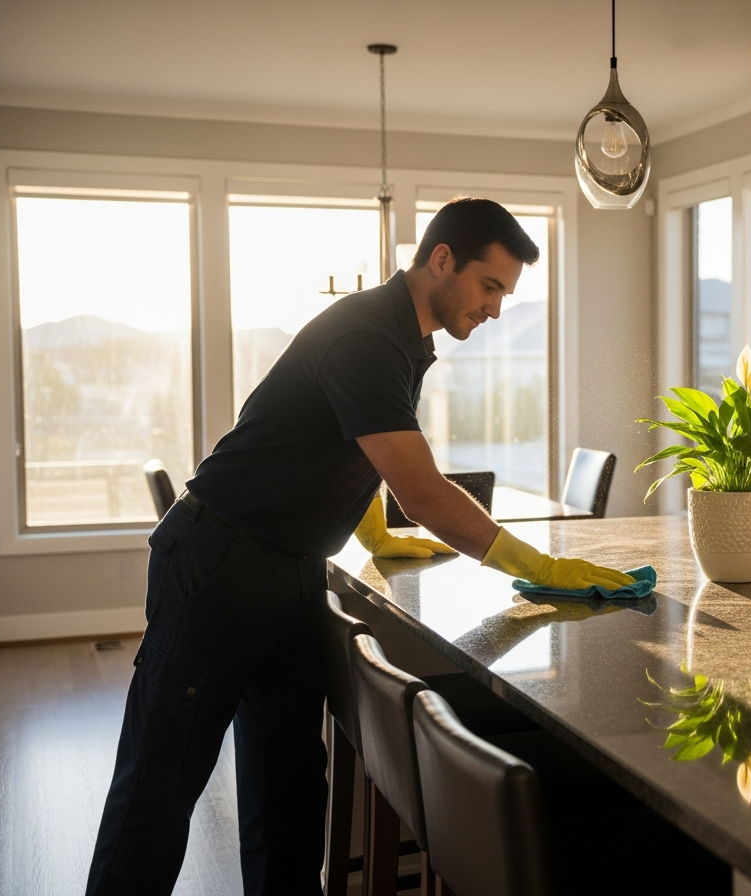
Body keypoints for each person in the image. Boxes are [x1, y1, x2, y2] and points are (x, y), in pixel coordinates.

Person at [85, 198, 633, 896]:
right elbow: (425, 490)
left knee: (287, 790)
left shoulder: (405, 339)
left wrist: (370, 530)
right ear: (442, 260)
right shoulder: (370, 337)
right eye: (490, 286)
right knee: (157, 789)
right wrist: (539, 568)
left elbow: (353, 448)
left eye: (505, 293)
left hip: (287, 569)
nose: (496, 309)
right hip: (218, 566)